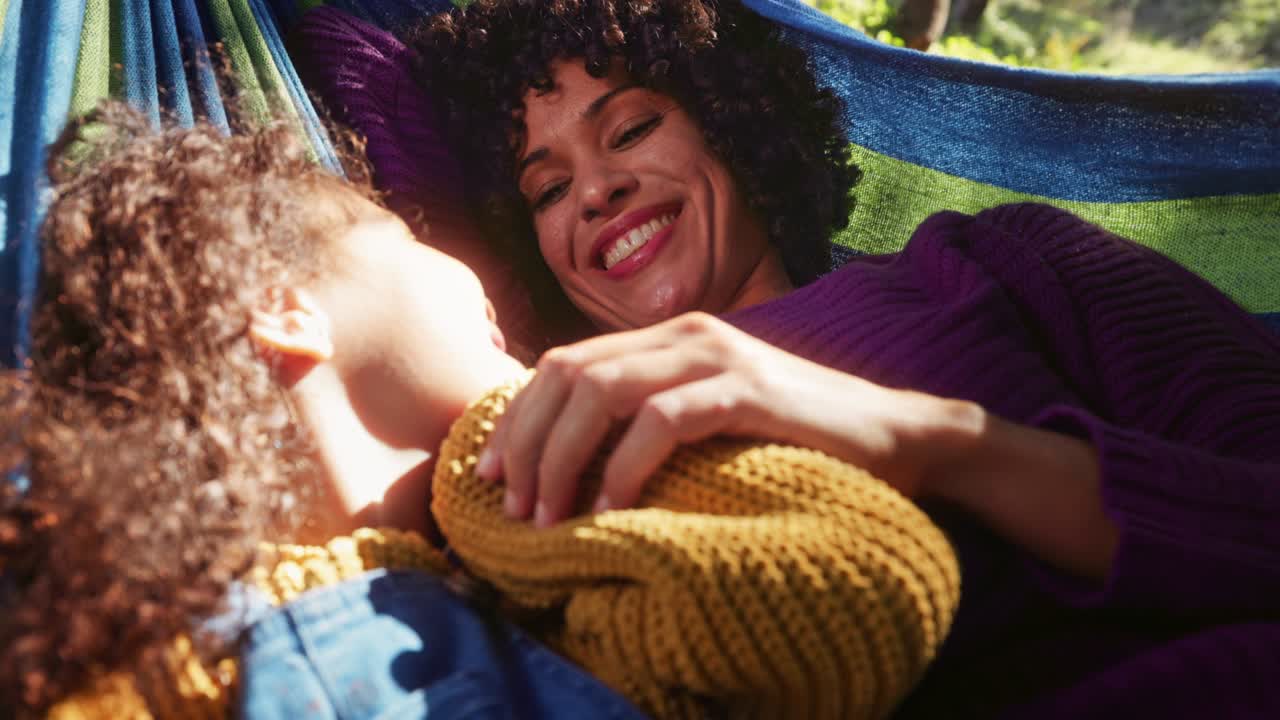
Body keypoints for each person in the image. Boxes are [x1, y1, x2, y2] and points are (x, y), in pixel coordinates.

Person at [405, 1, 1280, 717]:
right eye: (548, 189)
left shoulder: (997, 261)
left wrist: (933, 442)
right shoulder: (542, 435)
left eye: (631, 128)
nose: (596, 190)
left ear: (733, 121)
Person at [0, 105, 960, 720]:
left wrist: (502, 470)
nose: (480, 277)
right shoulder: (145, 660)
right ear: (281, 308)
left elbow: (869, 595)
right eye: (408, 238)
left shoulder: (564, 604)